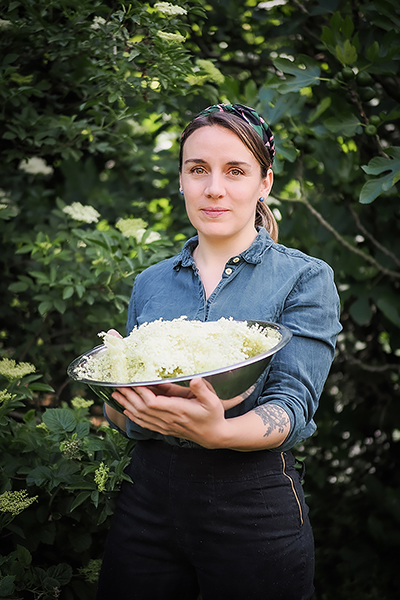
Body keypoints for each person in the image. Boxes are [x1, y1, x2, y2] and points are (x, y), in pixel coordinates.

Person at [96, 104, 342, 600]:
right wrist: (129, 409)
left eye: (235, 171)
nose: (214, 188)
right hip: (147, 504)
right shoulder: (150, 283)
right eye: (197, 170)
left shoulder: (304, 278)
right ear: (182, 179)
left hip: (251, 509)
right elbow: (117, 404)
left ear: (264, 183)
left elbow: (292, 405)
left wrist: (219, 432)